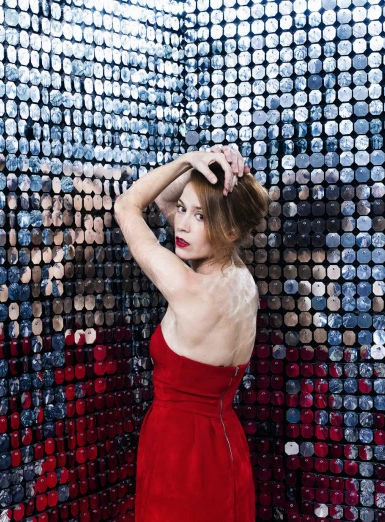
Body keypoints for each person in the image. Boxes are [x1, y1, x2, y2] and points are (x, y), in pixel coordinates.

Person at [113, 146, 270, 521]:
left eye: (198, 216)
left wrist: (188, 160)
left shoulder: (187, 286)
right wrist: (206, 170)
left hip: (179, 454)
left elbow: (126, 205)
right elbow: (171, 201)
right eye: (183, 210)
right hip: (224, 446)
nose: (180, 224)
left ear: (230, 230)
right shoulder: (242, 282)